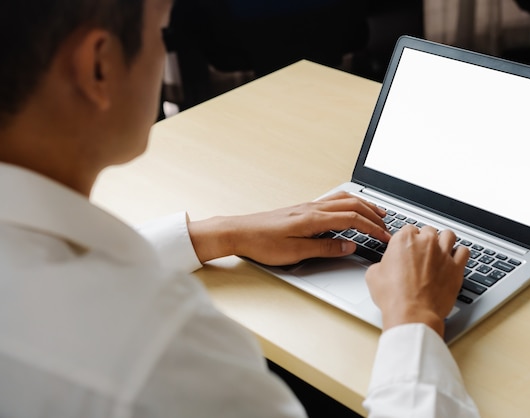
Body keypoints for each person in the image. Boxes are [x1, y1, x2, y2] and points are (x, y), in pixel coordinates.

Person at [0, 0, 480, 417]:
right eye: (160, 33)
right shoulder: (157, 355)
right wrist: (414, 316)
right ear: (98, 68)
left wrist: (219, 234)